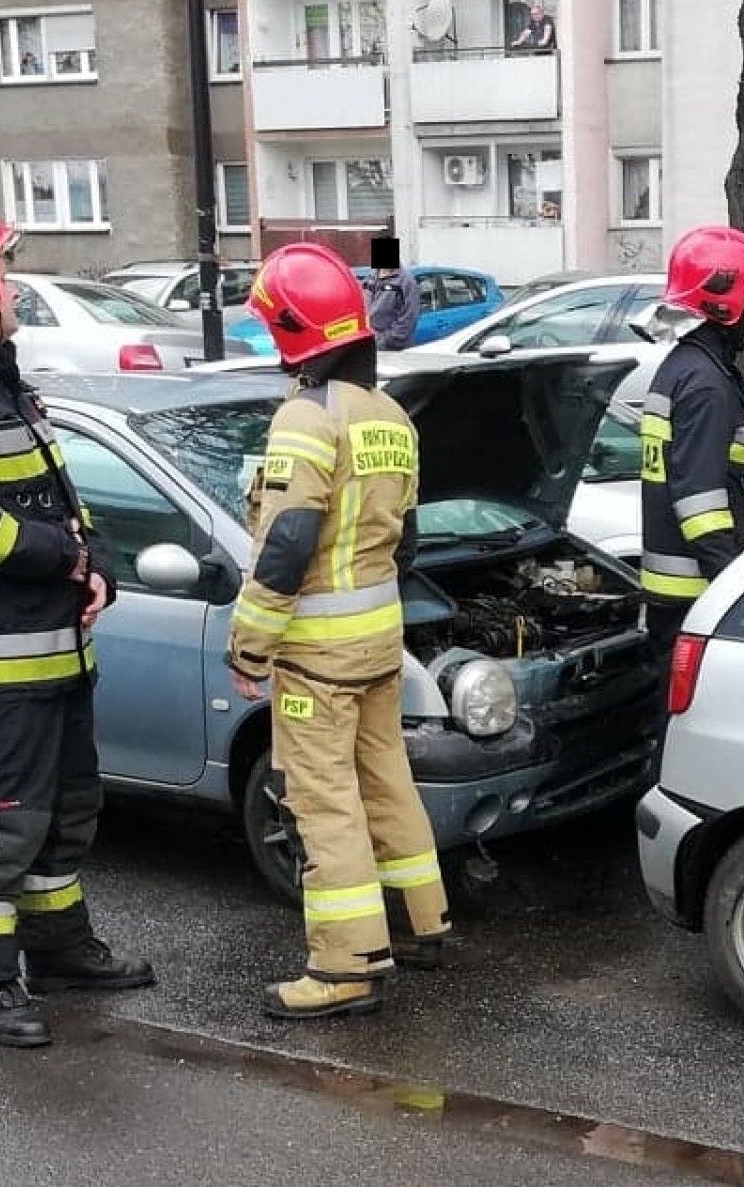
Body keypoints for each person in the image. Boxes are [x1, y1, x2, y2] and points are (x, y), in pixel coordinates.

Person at [0, 201, 154, 1049]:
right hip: (0, 667)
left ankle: (58, 948)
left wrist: (97, 559)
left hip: (55, 654)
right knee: (0, 822)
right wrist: (62, 557)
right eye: (3, 272)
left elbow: (59, 498)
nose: (13, 287)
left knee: (64, 809)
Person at [230, 242, 452, 1020]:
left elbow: (288, 540)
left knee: (322, 800)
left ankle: (345, 965)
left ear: (291, 332)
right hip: (379, 643)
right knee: (386, 778)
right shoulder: (391, 416)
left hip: (317, 656)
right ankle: (423, 921)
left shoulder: (307, 415)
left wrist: (249, 644)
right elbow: (408, 542)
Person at [639, 225, 744, 659]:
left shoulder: (683, 366)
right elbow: (700, 503)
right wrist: (734, 584)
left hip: (674, 592)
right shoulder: (706, 384)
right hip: (698, 593)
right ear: (723, 304)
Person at [363, 236, 420, 352]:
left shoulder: (406, 281)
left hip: (393, 350)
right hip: (369, 346)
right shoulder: (370, 279)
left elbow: (409, 318)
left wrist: (383, 341)